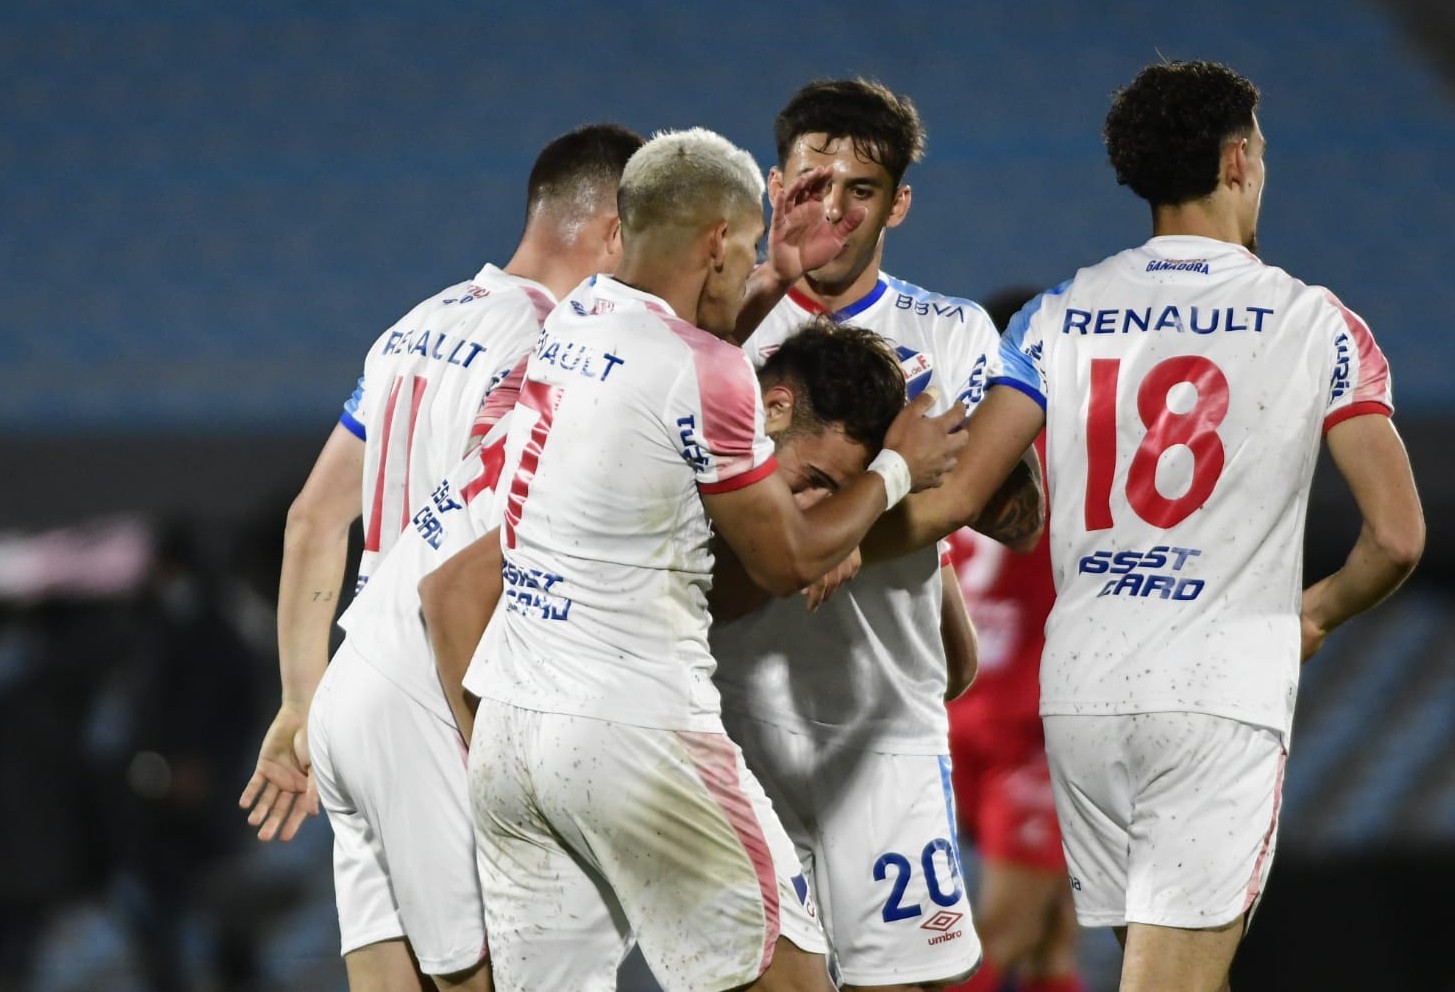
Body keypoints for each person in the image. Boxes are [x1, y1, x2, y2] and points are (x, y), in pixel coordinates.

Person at [875, 60, 1424, 992]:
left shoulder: (1053, 316)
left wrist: (836, 542)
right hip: (1215, 691)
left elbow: (960, 499)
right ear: (1238, 160)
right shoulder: (1315, 322)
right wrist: (1317, 613)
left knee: (1143, 965)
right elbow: (1397, 538)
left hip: (1080, 695)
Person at [449, 126, 969, 992]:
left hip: (513, 738)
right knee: (792, 980)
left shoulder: (576, 316)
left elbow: (679, 354)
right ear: (718, 243)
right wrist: (895, 469)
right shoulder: (707, 370)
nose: (755, 262)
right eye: (753, 243)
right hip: (637, 730)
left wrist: (774, 279)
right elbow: (785, 560)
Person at [238, 122, 645, 992]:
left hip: (351, 696)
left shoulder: (412, 328)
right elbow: (478, 558)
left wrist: (300, 703)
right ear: (614, 232)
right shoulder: (556, 348)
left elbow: (312, 519)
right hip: (442, 690)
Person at [709, 78, 1044, 992]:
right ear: (775, 186)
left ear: (897, 203)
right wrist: (863, 505)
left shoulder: (951, 331)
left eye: (861, 190)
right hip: (735, 720)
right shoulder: (723, 327)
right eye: (812, 185)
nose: (833, 211)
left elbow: (1015, 514)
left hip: (884, 724)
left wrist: (852, 532)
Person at [941, 289, 1086, 992]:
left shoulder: (948, 447)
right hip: (1029, 727)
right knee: (1005, 932)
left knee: (1053, 936)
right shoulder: (1070, 453)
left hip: (956, 712)